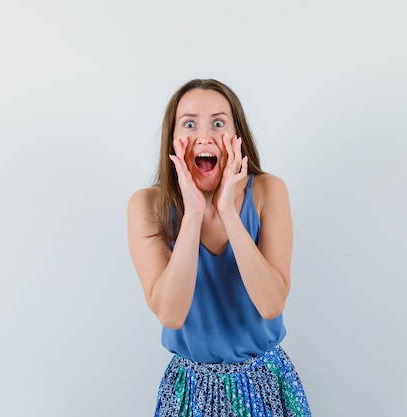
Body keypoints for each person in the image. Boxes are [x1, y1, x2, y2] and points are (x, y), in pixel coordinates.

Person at [127, 79, 311, 416]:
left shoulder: (269, 191)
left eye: (218, 122)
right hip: (188, 394)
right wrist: (194, 212)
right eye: (189, 123)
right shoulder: (147, 206)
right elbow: (170, 313)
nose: (204, 135)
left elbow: (271, 304)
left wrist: (228, 213)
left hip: (265, 385)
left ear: (236, 136)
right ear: (173, 138)